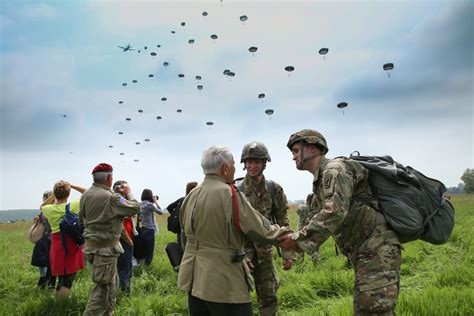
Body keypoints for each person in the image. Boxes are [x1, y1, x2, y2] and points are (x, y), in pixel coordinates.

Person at [279, 129, 402, 315]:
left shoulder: (334, 170)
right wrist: (293, 254)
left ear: (312, 148)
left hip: (378, 248)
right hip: (365, 250)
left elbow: (334, 212)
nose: (293, 157)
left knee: (372, 310)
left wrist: (297, 241)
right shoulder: (320, 180)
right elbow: (314, 218)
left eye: (296, 151)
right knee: (364, 308)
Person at [178, 145, 291, 316]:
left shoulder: (191, 195)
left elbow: (185, 235)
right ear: (225, 168)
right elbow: (260, 229)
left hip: (194, 279)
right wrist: (291, 237)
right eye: (234, 164)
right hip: (224, 279)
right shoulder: (230, 193)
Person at [236, 141, 294, 316]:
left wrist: (288, 255)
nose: (252, 166)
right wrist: (240, 254)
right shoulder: (235, 191)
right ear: (244, 163)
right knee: (238, 301)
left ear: (264, 164)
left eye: (257, 162)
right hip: (242, 256)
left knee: (269, 299)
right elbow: (231, 228)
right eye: (249, 162)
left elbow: (284, 223)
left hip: (265, 254)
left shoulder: (274, 189)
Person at [79, 163, 141, 316]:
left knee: (110, 288)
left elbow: (82, 220)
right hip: (105, 251)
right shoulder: (111, 197)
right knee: (102, 292)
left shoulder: (86, 194)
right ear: (109, 178)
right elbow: (135, 208)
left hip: (93, 248)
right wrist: (129, 192)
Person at [41, 181, 86, 298]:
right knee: (68, 281)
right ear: (68, 194)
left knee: (62, 278)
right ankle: (62, 305)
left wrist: (53, 195)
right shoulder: (73, 206)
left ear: (55, 194)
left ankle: (57, 303)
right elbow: (88, 192)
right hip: (70, 244)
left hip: (56, 245)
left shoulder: (49, 209)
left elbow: (42, 206)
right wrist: (73, 185)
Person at [113, 180, 136, 295]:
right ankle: (125, 294)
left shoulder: (120, 201)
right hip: (123, 240)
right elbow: (120, 226)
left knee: (122, 269)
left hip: (122, 240)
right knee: (125, 269)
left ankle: (121, 292)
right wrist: (129, 240)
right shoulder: (118, 202)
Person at [31, 190, 57, 289]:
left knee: (46, 264)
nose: (45, 199)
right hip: (46, 240)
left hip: (49, 240)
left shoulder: (49, 209)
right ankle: (47, 284)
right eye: (45, 197)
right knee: (46, 263)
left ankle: (45, 284)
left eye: (46, 197)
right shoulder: (46, 210)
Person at [166, 181, 198, 247]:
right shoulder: (194, 201)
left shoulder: (182, 199)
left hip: (179, 228)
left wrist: (176, 215)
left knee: (181, 247)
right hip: (189, 230)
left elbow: (169, 207)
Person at [139, 189, 163, 266]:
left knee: (144, 248)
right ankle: (147, 266)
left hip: (143, 229)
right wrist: (155, 202)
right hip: (150, 229)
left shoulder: (140, 204)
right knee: (150, 249)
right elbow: (161, 212)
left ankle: (141, 264)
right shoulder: (150, 205)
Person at [295, 193, 320, 264]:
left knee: (299, 247)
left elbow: (297, 211)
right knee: (315, 248)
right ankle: (316, 264)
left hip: (300, 229)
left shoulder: (301, 207)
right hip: (311, 230)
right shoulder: (316, 210)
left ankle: (299, 264)